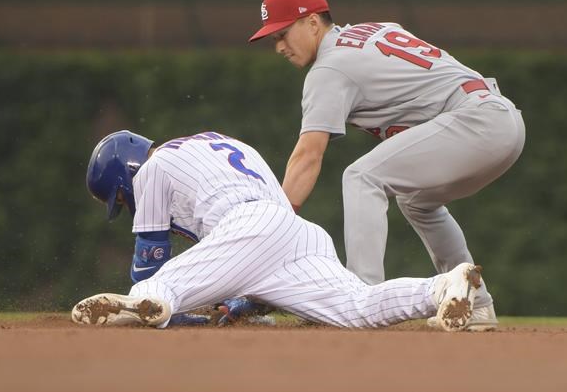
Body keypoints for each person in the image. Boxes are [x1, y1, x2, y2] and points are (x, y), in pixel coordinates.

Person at [248, 0, 526, 331]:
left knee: (362, 177)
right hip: (500, 119)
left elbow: (307, 156)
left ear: (313, 23)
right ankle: (477, 302)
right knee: (416, 201)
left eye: (283, 33)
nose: (279, 46)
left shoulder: (329, 70)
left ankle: (359, 299)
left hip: (476, 121)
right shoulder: (375, 30)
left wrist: (273, 228)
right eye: (273, 38)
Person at [72, 130, 483, 331]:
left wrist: (186, 315)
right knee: (358, 308)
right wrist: (245, 304)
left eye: (121, 199)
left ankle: (143, 310)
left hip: (249, 227)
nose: (128, 205)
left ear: (125, 176)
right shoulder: (222, 144)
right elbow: (248, 256)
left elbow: (148, 264)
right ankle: (443, 286)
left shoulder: (153, 170)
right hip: (294, 232)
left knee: (152, 292)